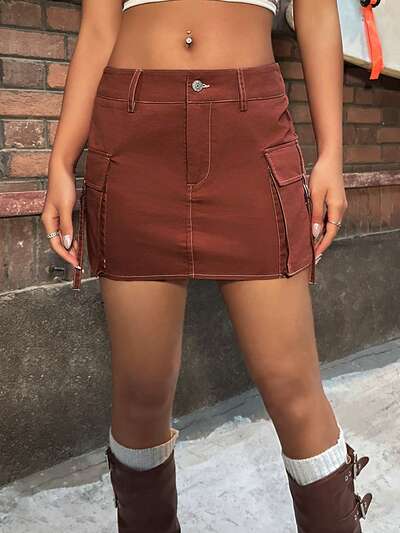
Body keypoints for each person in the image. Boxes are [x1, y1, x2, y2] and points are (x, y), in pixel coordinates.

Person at [40, 0, 373, 531]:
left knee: (292, 385)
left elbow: (315, 12)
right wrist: (60, 160)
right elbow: (99, 25)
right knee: (142, 389)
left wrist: (332, 152)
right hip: (132, 132)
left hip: (250, 132)